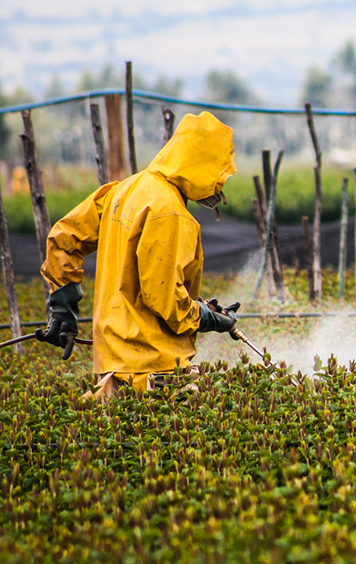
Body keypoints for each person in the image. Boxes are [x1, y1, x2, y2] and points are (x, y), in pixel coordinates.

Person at [37, 111, 241, 397]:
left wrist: (62, 304)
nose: (220, 186)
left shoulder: (126, 189)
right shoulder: (170, 212)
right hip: (154, 367)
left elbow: (64, 238)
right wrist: (207, 317)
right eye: (219, 175)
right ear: (201, 166)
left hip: (112, 363)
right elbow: (166, 299)